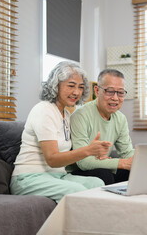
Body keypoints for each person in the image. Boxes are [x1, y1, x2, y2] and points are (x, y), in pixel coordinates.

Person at [10, 61, 112, 203]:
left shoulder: (66, 115)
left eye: (81, 87)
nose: (76, 92)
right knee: (77, 192)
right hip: (29, 178)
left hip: (57, 176)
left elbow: (68, 157)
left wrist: (95, 154)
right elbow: (52, 159)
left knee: (98, 184)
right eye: (71, 86)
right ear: (55, 85)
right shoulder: (44, 110)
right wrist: (88, 150)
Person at [68, 69, 134, 185]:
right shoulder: (80, 115)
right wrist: (120, 163)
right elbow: (83, 162)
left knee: (132, 172)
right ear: (97, 90)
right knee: (104, 175)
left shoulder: (121, 118)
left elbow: (127, 153)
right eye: (109, 91)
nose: (115, 98)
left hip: (102, 166)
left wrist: (145, 161)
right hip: (78, 171)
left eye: (120, 93)